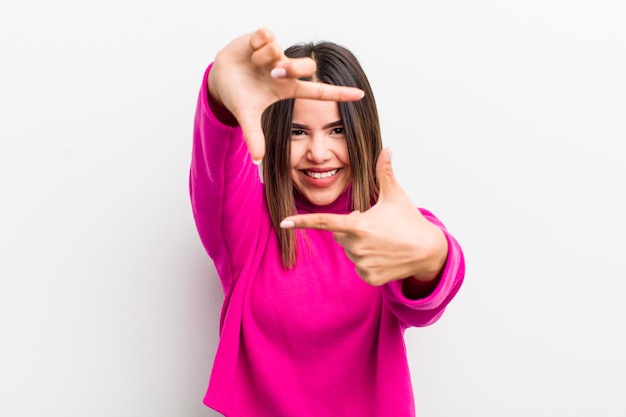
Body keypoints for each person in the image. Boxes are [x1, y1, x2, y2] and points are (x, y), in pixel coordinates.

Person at [189, 27, 465, 417]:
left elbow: (429, 283)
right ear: (276, 135)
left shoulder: (383, 224)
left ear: (361, 132)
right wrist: (220, 97)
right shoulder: (249, 223)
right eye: (298, 132)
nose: (319, 153)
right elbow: (217, 168)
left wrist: (434, 255)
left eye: (336, 130)